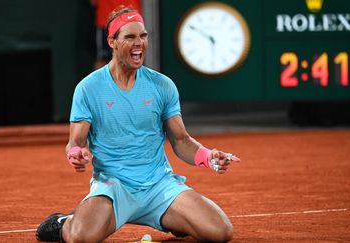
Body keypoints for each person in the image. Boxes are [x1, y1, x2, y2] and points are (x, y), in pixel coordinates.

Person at [36, 5, 241, 243]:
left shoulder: (162, 85)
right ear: (112, 41)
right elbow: (76, 141)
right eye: (130, 37)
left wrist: (208, 156)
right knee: (81, 238)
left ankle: (174, 218)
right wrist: (76, 154)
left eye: (143, 36)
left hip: (159, 187)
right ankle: (64, 223)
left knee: (221, 232)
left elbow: (181, 140)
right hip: (113, 188)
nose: (139, 43)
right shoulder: (88, 88)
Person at [89, 0, 142, 70]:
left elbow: (93, 2)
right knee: (133, 58)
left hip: (108, 19)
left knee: (103, 60)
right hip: (129, 21)